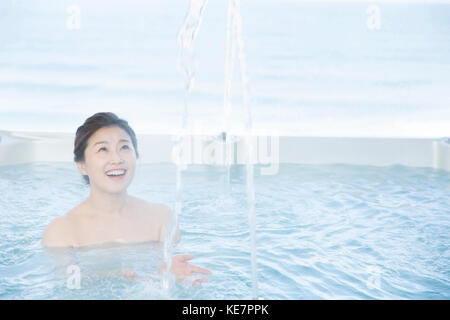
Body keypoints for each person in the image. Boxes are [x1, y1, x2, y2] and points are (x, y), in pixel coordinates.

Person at [42, 112, 210, 286]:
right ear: (82, 166)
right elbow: (68, 286)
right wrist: (114, 275)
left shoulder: (162, 219)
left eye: (124, 147)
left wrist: (168, 275)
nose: (117, 159)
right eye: (103, 149)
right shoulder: (62, 231)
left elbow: (169, 275)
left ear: (136, 156)